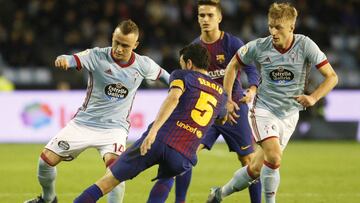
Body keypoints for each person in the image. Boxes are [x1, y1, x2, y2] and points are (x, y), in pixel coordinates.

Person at [25, 19, 170, 203]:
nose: (119, 48)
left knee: (116, 173)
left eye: (125, 45)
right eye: (116, 42)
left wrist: (182, 86)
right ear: (112, 38)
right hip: (83, 124)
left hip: (114, 130)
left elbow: (169, 78)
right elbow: (73, 58)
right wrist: (64, 59)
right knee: (45, 161)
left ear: (135, 45)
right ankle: (48, 199)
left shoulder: (144, 65)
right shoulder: (97, 56)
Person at [207, 2, 338, 203]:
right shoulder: (260, 46)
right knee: (275, 157)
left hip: (290, 114)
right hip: (263, 109)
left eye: (279, 27)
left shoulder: (305, 45)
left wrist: (313, 97)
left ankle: (219, 194)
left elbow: (331, 77)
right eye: (271, 26)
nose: (273, 32)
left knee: (256, 169)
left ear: (292, 28)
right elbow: (233, 65)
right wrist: (227, 98)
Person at [73, 43, 228, 203]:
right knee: (168, 176)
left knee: (109, 180)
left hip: (160, 139)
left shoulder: (183, 75)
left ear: (189, 63)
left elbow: (173, 98)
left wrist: (153, 132)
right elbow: (223, 117)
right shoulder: (221, 93)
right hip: (183, 154)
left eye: (182, 63)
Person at [147, 1, 261, 203]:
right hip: (203, 111)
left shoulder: (232, 43)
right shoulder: (194, 48)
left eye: (210, 15)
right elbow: (187, 80)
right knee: (182, 156)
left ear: (219, 18)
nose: (205, 19)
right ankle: (179, 201)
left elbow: (251, 68)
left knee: (249, 161)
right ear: (197, 18)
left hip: (233, 110)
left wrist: (252, 88)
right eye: (202, 15)